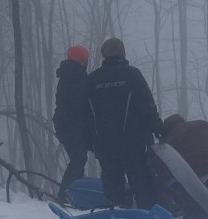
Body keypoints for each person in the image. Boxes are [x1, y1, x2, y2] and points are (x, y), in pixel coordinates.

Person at [86, 37, 164, 209]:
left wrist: (89, 140)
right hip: (132, 141)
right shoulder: (132, 74)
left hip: (104, 143)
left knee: (113, 184)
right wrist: (157, 127)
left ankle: (116, 214)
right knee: (140, 181)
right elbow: (146, 104)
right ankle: (147, 214)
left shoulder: (92, 79)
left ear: (104, 55)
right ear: (122, 52)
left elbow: (85, 113)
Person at [51, 44, 93, 203]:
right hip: (73, 126)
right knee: (78, 160)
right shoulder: (79, 77)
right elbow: (82, 104)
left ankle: (72, 195)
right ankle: (65, 195)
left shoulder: (66, 75)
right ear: (83, 61)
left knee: (78, 159)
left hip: (64, 125)